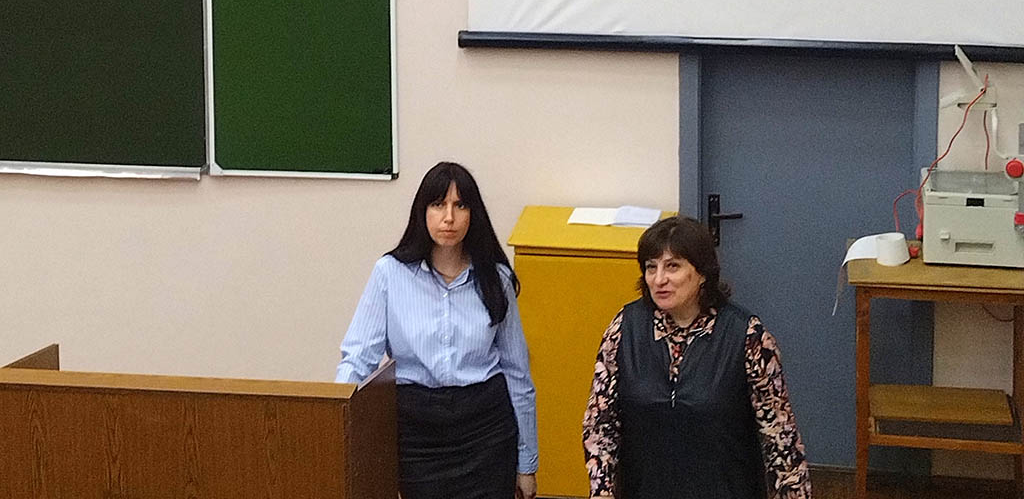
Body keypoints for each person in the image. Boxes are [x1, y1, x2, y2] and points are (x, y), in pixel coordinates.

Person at [336, 160, 538, 499]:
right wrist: (336, 419)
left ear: (473, 214)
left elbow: (518, 374)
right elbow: (358, 358)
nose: (449, 217)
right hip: (417, 434)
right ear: (422, 211)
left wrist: (527, 462)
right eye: (438, 204)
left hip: (486, 431)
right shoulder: (390, 274)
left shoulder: (496, 279)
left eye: (460, 205)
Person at [582, 216, 811, 499]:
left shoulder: (746, 336)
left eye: (673, 266)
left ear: (702, 273)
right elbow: (600, 424)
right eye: (651, 267)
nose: (659, 279)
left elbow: (781, 440)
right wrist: (602, 491)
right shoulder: (624, 328)